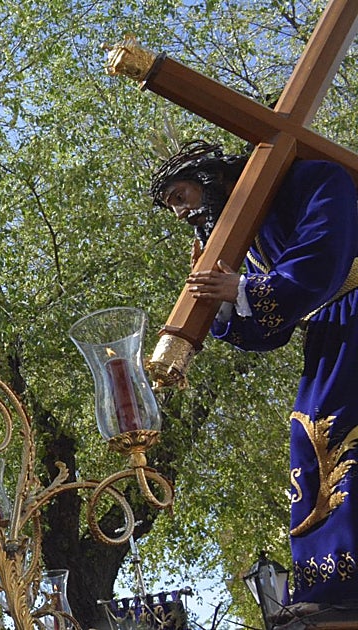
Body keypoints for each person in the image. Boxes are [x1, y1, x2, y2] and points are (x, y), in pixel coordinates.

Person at [150, 140, 358, 612]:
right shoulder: (253, 235)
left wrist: (245, 288)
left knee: (331, 432)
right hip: (333, 331)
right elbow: (271, 331)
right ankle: (332, 583)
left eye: (181, 197)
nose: (181, 214)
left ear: (207, 177)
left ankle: (343, 584)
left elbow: (323, 262)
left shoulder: (315, 179)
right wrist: (227, 298)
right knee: (313, 438)